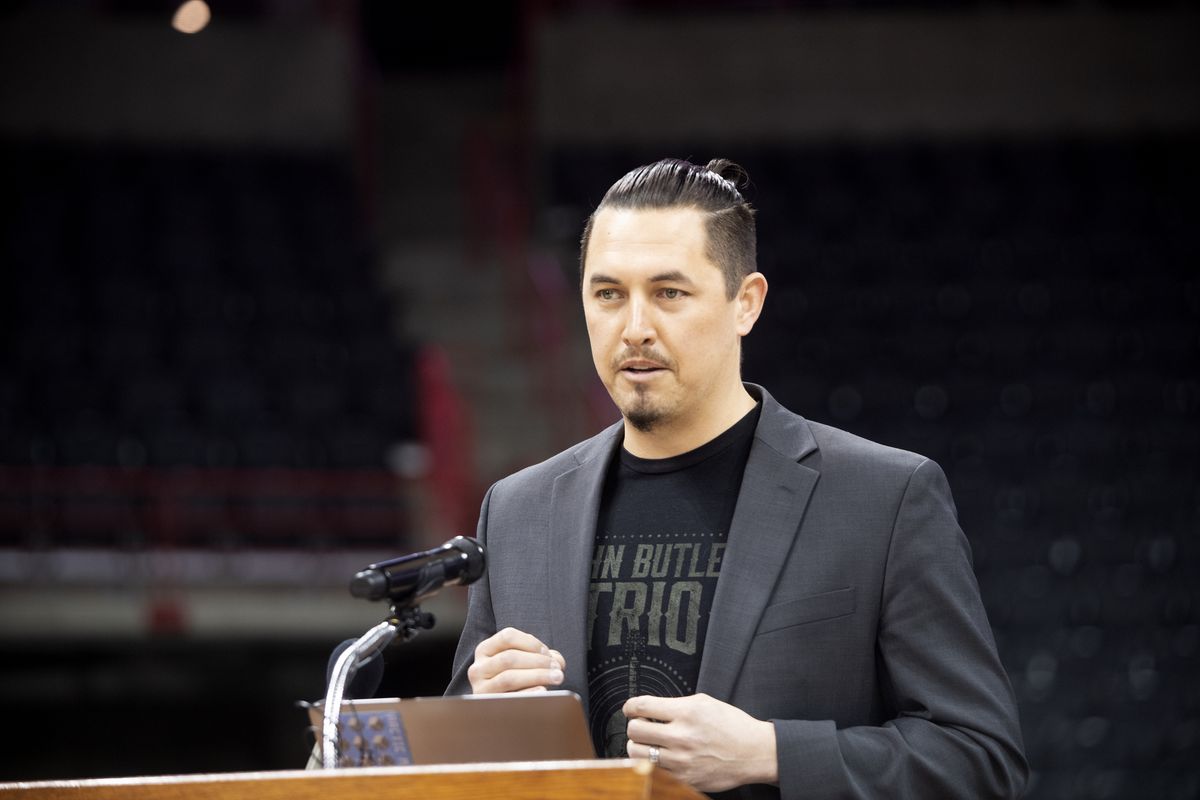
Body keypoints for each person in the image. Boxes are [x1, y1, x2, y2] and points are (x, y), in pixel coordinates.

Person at [445, 158, 1027, 799]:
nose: (634, 328)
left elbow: (981, 759)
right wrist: (479, 713)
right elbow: (454, 770)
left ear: (745, 303)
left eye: (669, 293)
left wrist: (771, 753)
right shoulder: (517, 510)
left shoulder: (885, 499)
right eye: (608, 294)